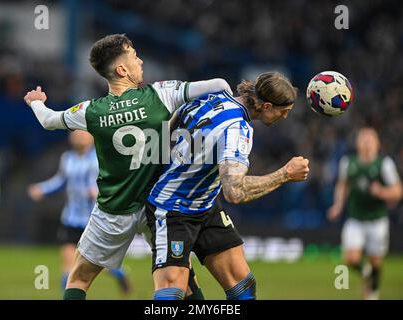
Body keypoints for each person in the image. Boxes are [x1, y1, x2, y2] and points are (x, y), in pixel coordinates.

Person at [23, 33, 233, 300]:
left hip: (114, 210)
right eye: (135, 56)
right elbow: (219, 84)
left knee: (79, 277)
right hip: (158, 208)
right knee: (183, 279)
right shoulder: (160, 95)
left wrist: (36, 102)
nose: (141, 61)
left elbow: (49, 120)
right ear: (122, 69)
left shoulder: (92, 111)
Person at [146, 71, 310, 300]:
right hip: (173, 210)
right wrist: (285, 174)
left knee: (243, 287)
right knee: (172, 295)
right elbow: (234, 191)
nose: (284, 117)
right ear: (266, 106)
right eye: (284, 111)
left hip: (205, 205)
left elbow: (170, 124)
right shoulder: (237, 129)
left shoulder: (212, 96)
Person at [28, 130, 132, 295]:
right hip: (70, 218)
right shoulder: (67, 158)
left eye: (83, 133)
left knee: (94, 262)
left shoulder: (100, 157)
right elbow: (61, 180)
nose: (79, 137)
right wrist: (42, 189)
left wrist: (100, 191)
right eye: (76, 133)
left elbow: (114, 181)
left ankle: (119, 273)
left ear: (92, 138)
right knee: (68, 264)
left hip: (94, 218)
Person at [327, 127, 402, 300]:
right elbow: (342, 185)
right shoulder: (348, 162)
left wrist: (381, 192)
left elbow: (398, 191)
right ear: (358, 143)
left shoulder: (384, 164)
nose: (367, 142)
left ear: (377, 143)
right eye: (363, 139)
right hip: (355, 218)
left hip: (377, 220)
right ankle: (365, 271)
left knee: (376, 260)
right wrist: (338, 205)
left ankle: (372, 294)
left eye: (370, 139)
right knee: (351, 259)